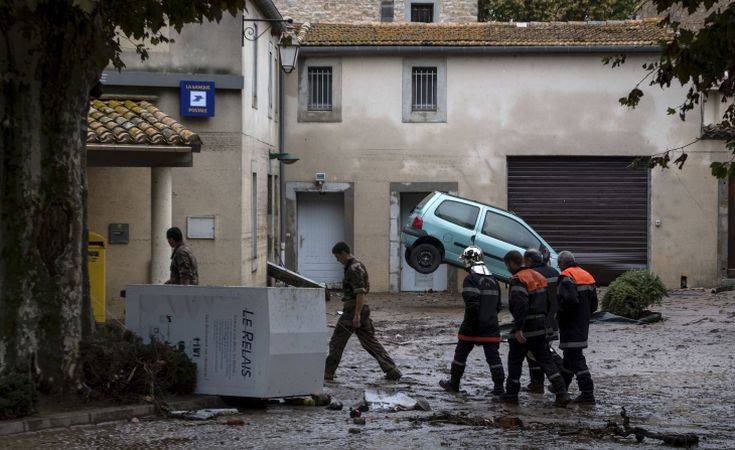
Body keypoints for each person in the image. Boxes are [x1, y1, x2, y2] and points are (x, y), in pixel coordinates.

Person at [496, 250, 570, 407]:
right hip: (541, 325)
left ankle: (511, 395)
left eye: (507, 265)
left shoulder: (518, 279)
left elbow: (521, 305)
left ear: (510, 263)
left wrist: (518, 328)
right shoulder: (538, 276)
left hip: (526, 327)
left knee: (514, 361)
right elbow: (551, 301)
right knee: (546, 361)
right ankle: (562, 393)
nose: (507, 268)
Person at [324, 242, 402, 381]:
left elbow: (360, 293)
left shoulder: (354, 268)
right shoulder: (355, 265)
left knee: (337, 342)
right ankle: (391, 369)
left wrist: (357, 315)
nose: (337, 260)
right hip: (358, 309)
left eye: (337, 256)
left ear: (343, 253)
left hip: (353, 310)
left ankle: (328, 372)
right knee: (369, 342)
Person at [439, 246, 504, 396]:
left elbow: (472, 304)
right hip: (491, 326)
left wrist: (469, 325)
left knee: (460, 355)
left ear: (470, 261)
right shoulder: (494, 280)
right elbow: (498, 306)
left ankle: (454, 384)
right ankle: (499, 389)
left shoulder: (471, 279)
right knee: (494, 359)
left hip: (472, 326)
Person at [556, 250, 598, 405]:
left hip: (570, 325)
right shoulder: (587, 275)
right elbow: (594, 305)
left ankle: (587, 393)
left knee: (576, 359)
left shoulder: (567, 276)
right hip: (582, 324)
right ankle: (562, 389)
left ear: (561, 263)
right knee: (569, 358)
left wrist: (560, 316)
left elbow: (569, 301)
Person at [523, 248, 562, 394]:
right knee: (537, 350)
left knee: (538, 352)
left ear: (529, 260)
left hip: (536, 320)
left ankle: (559, 375)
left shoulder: (529, 275)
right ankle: (537, 384)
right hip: (553, 319)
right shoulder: (554, 273)